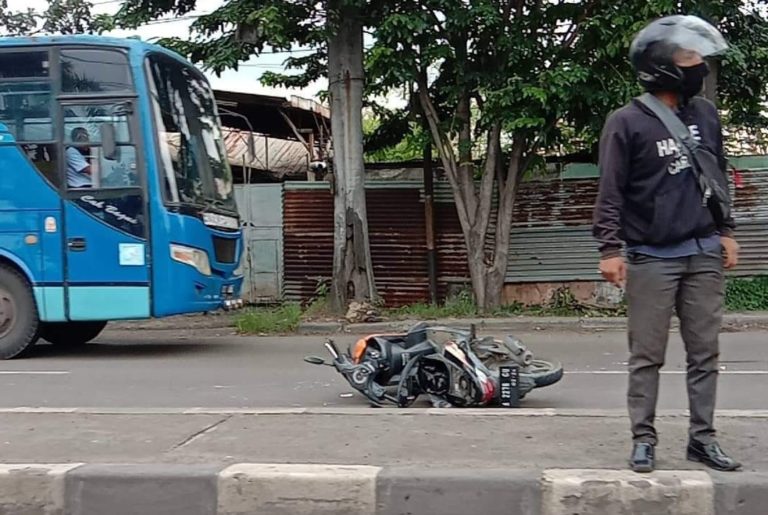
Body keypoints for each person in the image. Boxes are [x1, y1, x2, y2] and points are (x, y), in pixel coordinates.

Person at [592, 15, 741, 473]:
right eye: (689, 57)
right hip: (651, 256)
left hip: (703, 251)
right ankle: (644, 438)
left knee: (705, 352)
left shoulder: (706, 115)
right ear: (662, 66)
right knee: (647, 355)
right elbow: (610, 190)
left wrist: (727, 231)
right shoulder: (627, 123)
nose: (700, 65)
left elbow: (716, 175)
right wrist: (609, 249)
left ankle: (702, 439)